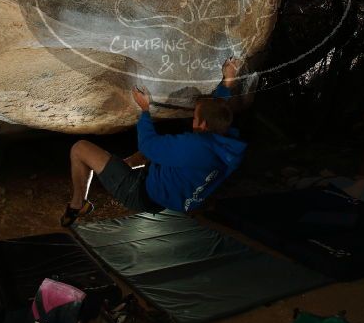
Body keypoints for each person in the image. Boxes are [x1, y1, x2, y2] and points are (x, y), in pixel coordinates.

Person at [60, 57, 248, 227]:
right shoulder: (228, 142)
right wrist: (228, 81)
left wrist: (145, 110)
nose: (192, 120)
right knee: (152, 154)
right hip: (170, 192)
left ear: (204, 125)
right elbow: (216, 111)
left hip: (141, 193)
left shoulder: (194, 146)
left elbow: (148, 144)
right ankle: (121, 167)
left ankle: (78, 204)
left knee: (79, 149)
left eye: (195, 118)